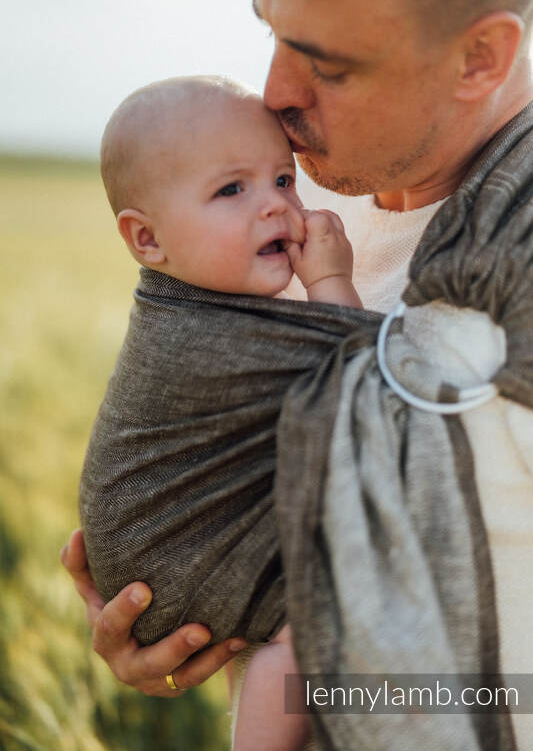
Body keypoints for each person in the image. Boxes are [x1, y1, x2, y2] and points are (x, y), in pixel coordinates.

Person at [63, 0, 533, 747]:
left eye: (328, 65)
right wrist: (170, 609)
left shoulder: (506, 264)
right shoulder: (290, 192)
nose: (274, 91)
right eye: (272, 33)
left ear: (478, 57)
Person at [79, 74, 361, 751]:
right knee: (310, 617)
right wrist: (329, 282)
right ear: (148, 240)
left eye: (284, 180)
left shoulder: (197, 299)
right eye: (232, 190)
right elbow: (358, 380)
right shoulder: (201, 336)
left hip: (162, 547)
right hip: (176, 557)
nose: (276, 206)